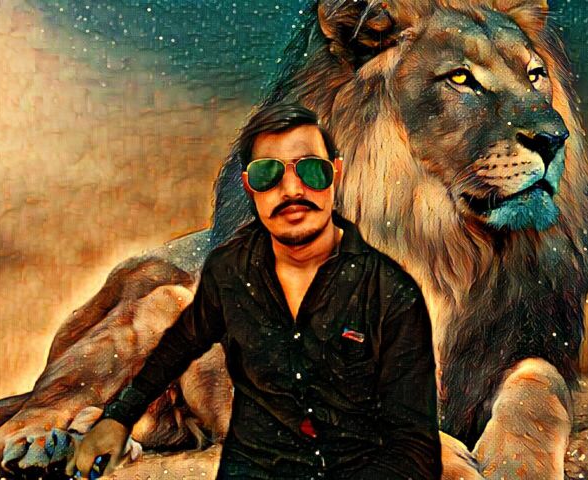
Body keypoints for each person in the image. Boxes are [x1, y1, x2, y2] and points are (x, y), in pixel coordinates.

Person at [70, 102, 441, 479]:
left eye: (311, 170)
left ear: (336, 174)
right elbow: (181, 343)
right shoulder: (230, 269)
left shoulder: (390, 292)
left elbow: (415, 445)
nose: (292, 190)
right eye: (268, 174)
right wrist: (119, 417)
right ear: (249, 185)